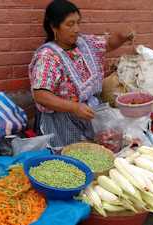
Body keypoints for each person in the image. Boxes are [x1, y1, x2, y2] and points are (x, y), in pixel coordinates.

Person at [29, 0, 135, 149]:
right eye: (70, 24)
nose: (77, 29)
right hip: (62, 121)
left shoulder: (84, 43)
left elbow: (108, 44)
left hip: (88, 113)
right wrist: (74, 107)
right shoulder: (47, 56)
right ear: (54, 27)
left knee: (105, 146)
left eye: (78, 23)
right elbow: (41, 95)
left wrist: (123, 36)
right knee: (72, 155)